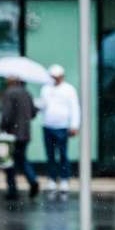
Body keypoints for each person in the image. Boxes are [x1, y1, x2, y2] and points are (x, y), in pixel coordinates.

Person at [39, 64, 81, 193]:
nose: (54, 79)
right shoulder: (45, 89)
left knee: (63, 154)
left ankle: (64, 180)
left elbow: (75, 108)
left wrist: (74, 125)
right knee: (50, 154)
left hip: (62, 127)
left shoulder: (69, 89)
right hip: (48, 126)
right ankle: (52, 179)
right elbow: (42, 106)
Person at [0, 75, 39, 200]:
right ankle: (32, 180)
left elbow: (7, 115)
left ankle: (12, 190)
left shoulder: (9, 93)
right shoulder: (27, 93)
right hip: (25, 133)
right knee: (22, 159)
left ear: (10, 82)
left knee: (9, 161)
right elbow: (33, 113)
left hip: (11, 134)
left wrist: (2, 128)